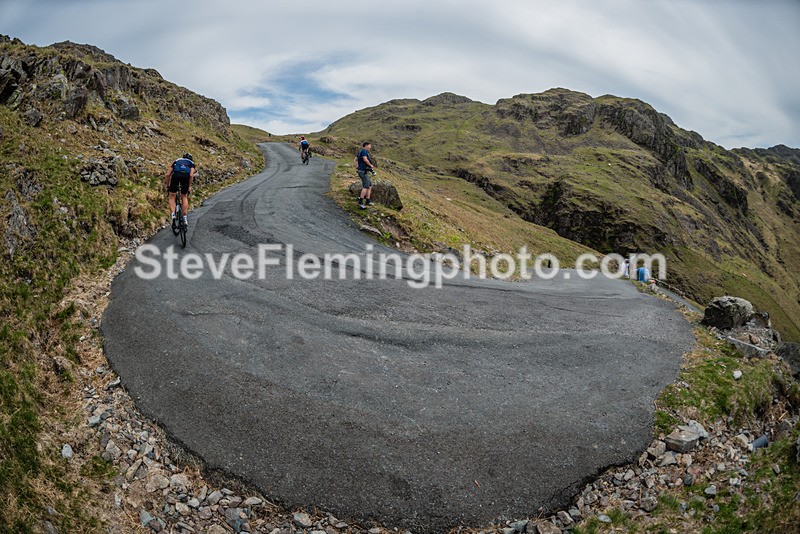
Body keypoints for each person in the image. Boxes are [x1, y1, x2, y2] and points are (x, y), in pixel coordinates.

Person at [165, 152, 195, 228]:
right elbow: (191, 175)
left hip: (176, 175)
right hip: (186, 177)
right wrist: (188, 186)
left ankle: (173, 215)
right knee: (184, 196)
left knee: (172, 197)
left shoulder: (177, 160)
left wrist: (168, 186)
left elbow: (168, 174)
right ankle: (185, 218)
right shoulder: (191, 163)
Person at [355, 141, 376, 209]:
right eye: (369, 146)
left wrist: (357, 167)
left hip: (363, 171)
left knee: (369, 186)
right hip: (363, 171)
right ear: (366, 145)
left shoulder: (360, 152)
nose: (370, 147)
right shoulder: (364, 151)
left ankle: (368, 200)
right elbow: (365, 159)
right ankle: (360, 202)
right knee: (366, 186)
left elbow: (355, 160)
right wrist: (370, 165)